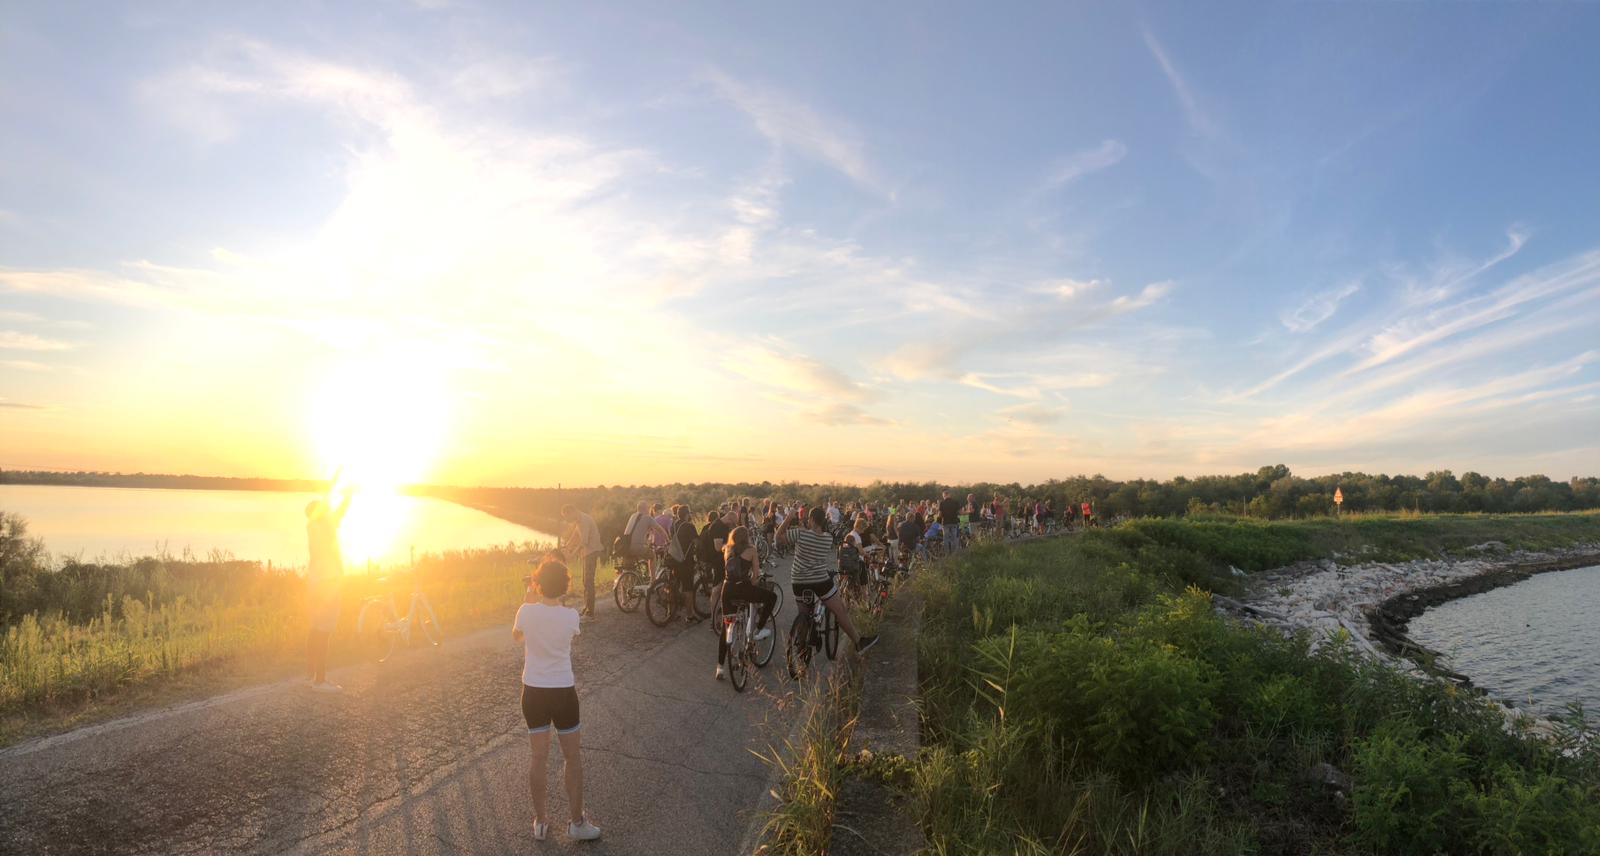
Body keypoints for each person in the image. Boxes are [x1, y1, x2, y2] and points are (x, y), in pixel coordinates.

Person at [513, 559, 601, 842]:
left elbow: (518, 636)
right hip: (562, 690)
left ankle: (540, 821)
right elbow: (567, 635)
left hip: (533, 691)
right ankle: (577, 822)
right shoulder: (571, 616)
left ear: (537, 583)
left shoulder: (525, 611)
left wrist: (530, 595)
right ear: (565, 586)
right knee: (571, 757)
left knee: (538, 757)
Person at [778, 507, 878, 655]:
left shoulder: (799, 534)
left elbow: (777, 537)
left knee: (803, 613)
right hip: (819, 580)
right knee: (840, 610)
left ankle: (800, 648)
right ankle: (858, 643)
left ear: (811, 520)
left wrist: (789, 517)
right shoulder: (827, 538)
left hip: (798, 580)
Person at [305, 484, 353, 693]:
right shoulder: (326, 525)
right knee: (324, 631)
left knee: (316, 629)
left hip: (315, 582)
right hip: (328, 583)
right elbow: (340, 510)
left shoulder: (312, 526)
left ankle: (312, 675)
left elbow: (333, 508)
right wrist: (348, 494)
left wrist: (335, 492)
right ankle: (320, 681)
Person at [715, 526, 777, 680]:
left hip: (727, 590)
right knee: (772, 597)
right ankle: (759, 629)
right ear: (746, 537)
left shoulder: (727, 549)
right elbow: (755, 574)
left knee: (726, 626)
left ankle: (720, 667)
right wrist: (753, 582)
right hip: (743, 589)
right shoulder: (752, 550)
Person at [561, 505, 605, 617]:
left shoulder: (584, 520)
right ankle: (587, 608)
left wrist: (572, 554)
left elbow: (583, 542)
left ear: (572, 512)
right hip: (587, 553)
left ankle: (590, 611)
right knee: (585, 581)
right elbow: (575, 535)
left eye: (567, 517)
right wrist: (566, 546)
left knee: (588, 581)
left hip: (591, 551)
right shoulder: (578, 520)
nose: (567, 520)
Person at [667, 504, 701, 624]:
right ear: (687, 514)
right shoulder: (689, 526)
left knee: (674, 585)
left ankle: (671, 612)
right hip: (685, 561)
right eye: (690, 513)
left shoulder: (674, 525)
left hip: (674, 559)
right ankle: (690, 615)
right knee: (688, 588)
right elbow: (697, 542)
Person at [623, 501, 669, 580]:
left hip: (626, 546)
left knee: (629, 566)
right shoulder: (647, 518)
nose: (649, 510)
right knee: (652, 556)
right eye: (648, 508)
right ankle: (653, 579)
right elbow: (660, 530)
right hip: (637, 547)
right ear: (645, 509)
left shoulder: (632, 516)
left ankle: (628, 581)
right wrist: (668, 541)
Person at [937, 489, 962, 555]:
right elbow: (960, 512)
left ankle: (947, 553)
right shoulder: (955, 502)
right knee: (954, 538)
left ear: (944, 495)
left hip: (945, 523)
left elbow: (939, 514)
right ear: (949, 495)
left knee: (946, 539)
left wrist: (938, 519)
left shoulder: (942, 503)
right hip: (954, 522)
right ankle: (954, 553)